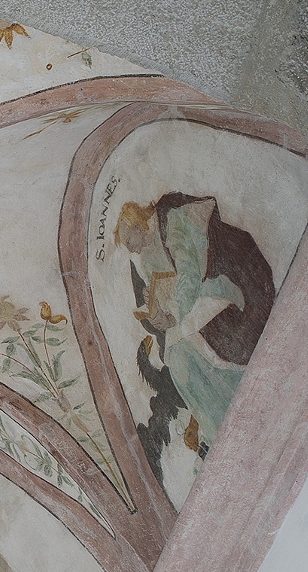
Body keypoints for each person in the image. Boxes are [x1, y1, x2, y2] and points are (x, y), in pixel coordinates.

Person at [114, 193, 273, 457]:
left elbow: (189, 271)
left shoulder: (170, 223)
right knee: (176, 359)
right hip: (187, 312)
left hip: (212, 288)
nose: (132, 250)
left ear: (138, 225)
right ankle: (220, 427)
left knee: (187, 352)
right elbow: (164, 294)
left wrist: (174, 313)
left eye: (131, 241)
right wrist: (155, 310)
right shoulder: (145, 260)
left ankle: (237, 401)